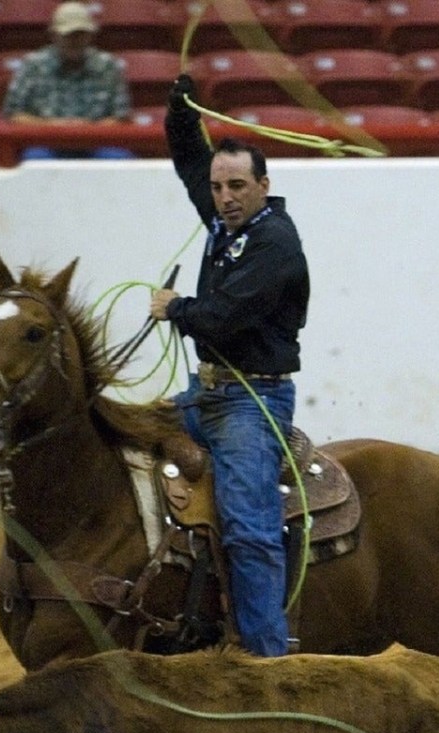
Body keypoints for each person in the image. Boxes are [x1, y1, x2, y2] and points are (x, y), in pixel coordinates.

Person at [149, 72, 310, 658]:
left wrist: (175, 308)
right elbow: (190, 159)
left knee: (250, 530)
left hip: (253, 402)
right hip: (210, 392)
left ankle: (268, 661)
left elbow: (222, 318)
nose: (224, 197)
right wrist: (178, 112)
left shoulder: (276, 246)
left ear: (263, 185)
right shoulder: (228, 221)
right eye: (219, 188)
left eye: (237, 186)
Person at [0, 1, 133, 160]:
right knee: (36, 160)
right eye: (69, 35)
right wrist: (54, 127)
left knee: (119, 159)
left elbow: (122, 116)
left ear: (90, 35)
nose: (75, 41)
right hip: (45, 142)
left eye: (81, 34)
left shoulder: (107, 66)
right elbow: (13, 114)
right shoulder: (33, 66)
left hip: (97, 142)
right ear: (54, 35)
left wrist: (88, 130)